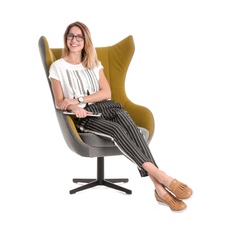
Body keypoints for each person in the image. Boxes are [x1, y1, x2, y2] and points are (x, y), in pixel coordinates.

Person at [49, 21, 193, 211]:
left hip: (108, 106)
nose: (74, 40)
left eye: (79, 36)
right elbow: (60, 101)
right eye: (70, 36)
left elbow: (106, 93)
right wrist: (76, 107)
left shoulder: (93, 63)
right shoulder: (57, 67)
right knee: (117, 130)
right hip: (86, 115)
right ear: (66, 38)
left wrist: (78, 99)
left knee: (134, 130)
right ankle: (163, 179)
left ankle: (160, 190)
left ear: (85, 41)